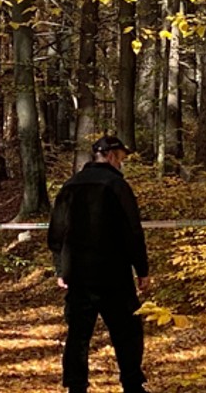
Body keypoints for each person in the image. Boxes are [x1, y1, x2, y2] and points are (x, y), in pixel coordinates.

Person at [48, 135, 151, 393]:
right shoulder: (117, 186)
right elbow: (133, 231)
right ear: (112, 156)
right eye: (122, 158)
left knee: (78, 336)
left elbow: (56, 232)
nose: (122, 163)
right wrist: (142, 270)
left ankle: (75, 387)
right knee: (127, 332)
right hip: (113, 274)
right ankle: (132, 385)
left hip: (79, 275)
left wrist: (61, 268)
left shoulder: (70, 185)